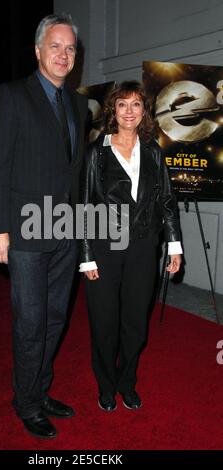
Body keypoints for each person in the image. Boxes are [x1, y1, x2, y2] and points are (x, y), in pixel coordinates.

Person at [0, 14, 87, 439]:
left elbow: (73, 172)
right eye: (56, 46)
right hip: (24, 231)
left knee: (56, 318)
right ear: (38, 51)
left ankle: (40, 391)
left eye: (71, 49)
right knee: (30, 321)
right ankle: (25, 402)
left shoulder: (79, 104)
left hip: (65, 229)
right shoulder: (12, 96)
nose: (63, 55)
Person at [80, 80, 182, 412]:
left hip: (143, 248)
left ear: (144, 112)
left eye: (136, 104)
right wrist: (86, 257)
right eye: (122, 104)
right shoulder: (97, 151)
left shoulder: (154, 151)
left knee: (136, 324)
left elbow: (166, 202)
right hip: (104, 249)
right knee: (105, 323)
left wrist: (174, 246)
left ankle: (127, 382)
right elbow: (83, 206)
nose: (129, 111)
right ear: (113, 109)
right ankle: (106, 385)